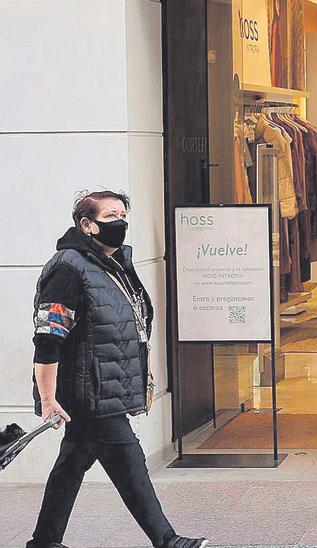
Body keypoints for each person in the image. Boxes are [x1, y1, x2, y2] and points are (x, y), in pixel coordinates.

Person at [28, 191, 207, 548]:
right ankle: (166, 540)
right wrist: (48, 399)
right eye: (110, 216)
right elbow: (49, 337)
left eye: (123, 214)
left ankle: (44, 541)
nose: (120, 223)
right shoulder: (68, 268)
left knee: (72, 463)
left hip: (105, 384)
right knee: (129, 460)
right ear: (86, 224)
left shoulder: (114, 264)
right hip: (89, 391)